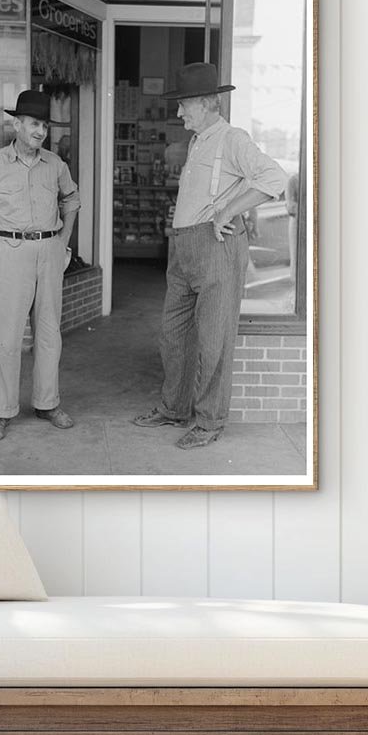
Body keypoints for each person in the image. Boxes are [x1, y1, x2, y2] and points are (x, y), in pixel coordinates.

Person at [133, 63, 287, 449]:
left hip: (215, 246)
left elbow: (274, 179)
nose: (179, 112)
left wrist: (227, 212)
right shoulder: (198, 141)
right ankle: (174, 408)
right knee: (174, 334)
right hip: (184, 246)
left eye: (184, 105)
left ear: (205, 102)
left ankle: (209, 422)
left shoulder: (232, 138)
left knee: (213, 339)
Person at [0, 90, 80, 441]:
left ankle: (47, 403)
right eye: (35, 124)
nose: (41, 131)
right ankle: (1, 412)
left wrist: (63, 241)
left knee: (49, 333)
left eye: (45, 126)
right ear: (17, 124)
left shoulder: (55, 165)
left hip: (48, 252)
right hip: (8, 254)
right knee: (6, 337)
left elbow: (72, 199)